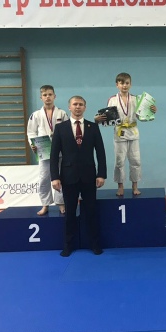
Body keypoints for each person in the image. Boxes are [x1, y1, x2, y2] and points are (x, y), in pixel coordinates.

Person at [50, 96, 107, 257]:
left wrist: (101, 174)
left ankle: (95, 244)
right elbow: (54, 155)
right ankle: (68, 245)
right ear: (69, 107)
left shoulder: (93, 127)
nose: (78, 107)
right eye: (75, 104)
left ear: (85, 107)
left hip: (89, 176)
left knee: (91, 212)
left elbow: (100, 152)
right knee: (69, 213)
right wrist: (55, 177)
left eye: (81, 104)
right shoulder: (60, 128)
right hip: (68, 176)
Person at [96, 72, 156, 196]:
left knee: (136, 160)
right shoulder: (112, 99)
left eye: (127, 83)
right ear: (117, 85)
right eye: (122, 83)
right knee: (119, 161)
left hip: (133, 132)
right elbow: (109, 117)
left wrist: (151, 111)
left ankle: (135, 186)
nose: (124, 85)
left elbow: (141, 117)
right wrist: (100, 119)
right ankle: (120, 186)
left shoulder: (136, 99)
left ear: (130, 84)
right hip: (119, 132)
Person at [27, 85, 68, 216]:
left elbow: (68, 131)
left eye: (50, 94)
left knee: (60, 177)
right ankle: (45, 204)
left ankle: (61, 202)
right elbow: (31, 132)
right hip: (43, 148)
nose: (48, 97)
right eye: (45, 95)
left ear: (54, 96)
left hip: (60, 149)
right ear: (41, 97)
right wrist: (33, 144)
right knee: (44, 178)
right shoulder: (36, 115)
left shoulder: (62, 113)